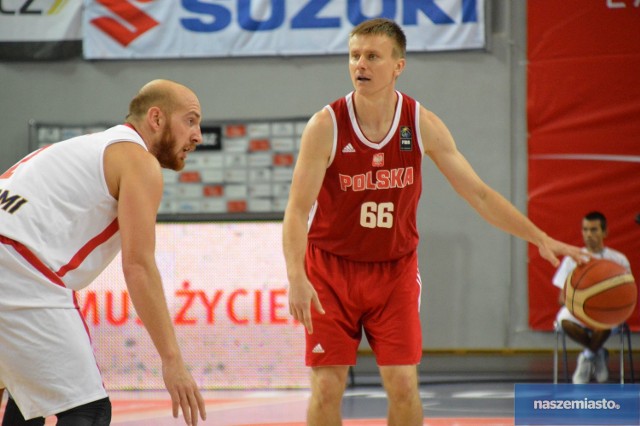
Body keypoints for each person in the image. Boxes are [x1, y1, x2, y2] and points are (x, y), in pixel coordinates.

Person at [282, 18, 587, 426]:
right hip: (330, 271)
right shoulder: (326, 125)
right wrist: (296, 277)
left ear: (398, 66)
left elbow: (478, 193)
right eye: (354, 56)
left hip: (394, 272)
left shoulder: (420, 123)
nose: (361, 65)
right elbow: (297, 210)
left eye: (372, 56)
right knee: (326, 389)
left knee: (404, 386)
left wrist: (539, 236)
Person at [0, 79, 206, 425]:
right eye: (190, 120)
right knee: (89, 410)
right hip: (17, 266)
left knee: (29, 396)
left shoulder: (82, 147)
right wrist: (172, 360)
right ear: (156, 118)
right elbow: (138, 266)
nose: (198, 135)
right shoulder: (138, 161)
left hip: (12, 257)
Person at [552, 211, 632, 384]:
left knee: (609, 319)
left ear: (605, 232)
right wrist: (582, 303)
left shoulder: (618, 259)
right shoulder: (572, 258)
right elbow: (561, 298)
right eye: (585, 229)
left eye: (594, 230)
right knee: (563, 321)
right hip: (578, 309)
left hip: (608, 310)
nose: (589, 234)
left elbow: (627, 294)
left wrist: (602, 301)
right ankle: (597, 353)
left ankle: (587, 356)